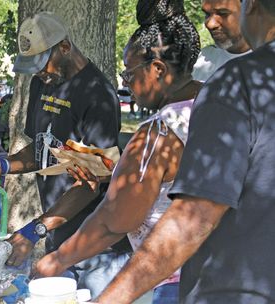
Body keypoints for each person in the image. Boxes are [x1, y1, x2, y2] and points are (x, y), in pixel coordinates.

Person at [91, 0, 275, 303]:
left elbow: (193, 220)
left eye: (219, 10)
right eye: (205, 13)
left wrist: (108, 299)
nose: (210, 24)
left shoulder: (235, 83)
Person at [34, 1, 202, 303]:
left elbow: (115, 220)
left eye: (128, 74)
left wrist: (56, 260)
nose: (127, 84)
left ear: (158, 69)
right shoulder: (218, 104)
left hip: (170, 282)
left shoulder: (157, 135)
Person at [0, 12, 130, 297]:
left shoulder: (98, 95)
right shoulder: (43, 83)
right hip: (59, 235)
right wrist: (4, 165)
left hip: (96, 247)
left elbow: (90, 183)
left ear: (64, 47)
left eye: (42, 63)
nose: (39, 73)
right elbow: (42, 148)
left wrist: (34, 230)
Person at [192, 0, 250, 81]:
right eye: (207, 14)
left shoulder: (268, 63)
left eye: (223, 14)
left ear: (250, 10)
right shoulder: (199, 61)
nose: (210, 24)